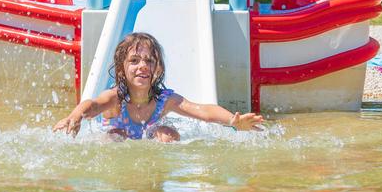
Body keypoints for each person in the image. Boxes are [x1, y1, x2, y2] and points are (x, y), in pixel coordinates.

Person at [53, 32, 264, 142]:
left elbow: (203, 110)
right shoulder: (116, 98)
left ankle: (160, 171)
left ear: (158, 69)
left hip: (153, 140)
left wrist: (232, 121)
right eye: (134, 61)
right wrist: (76, 116)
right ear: (121, 69)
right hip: (119, 143)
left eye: (150, 61)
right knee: (115, 135)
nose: (143, 66)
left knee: (165, 132)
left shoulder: (165, 100)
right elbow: (92, 104)